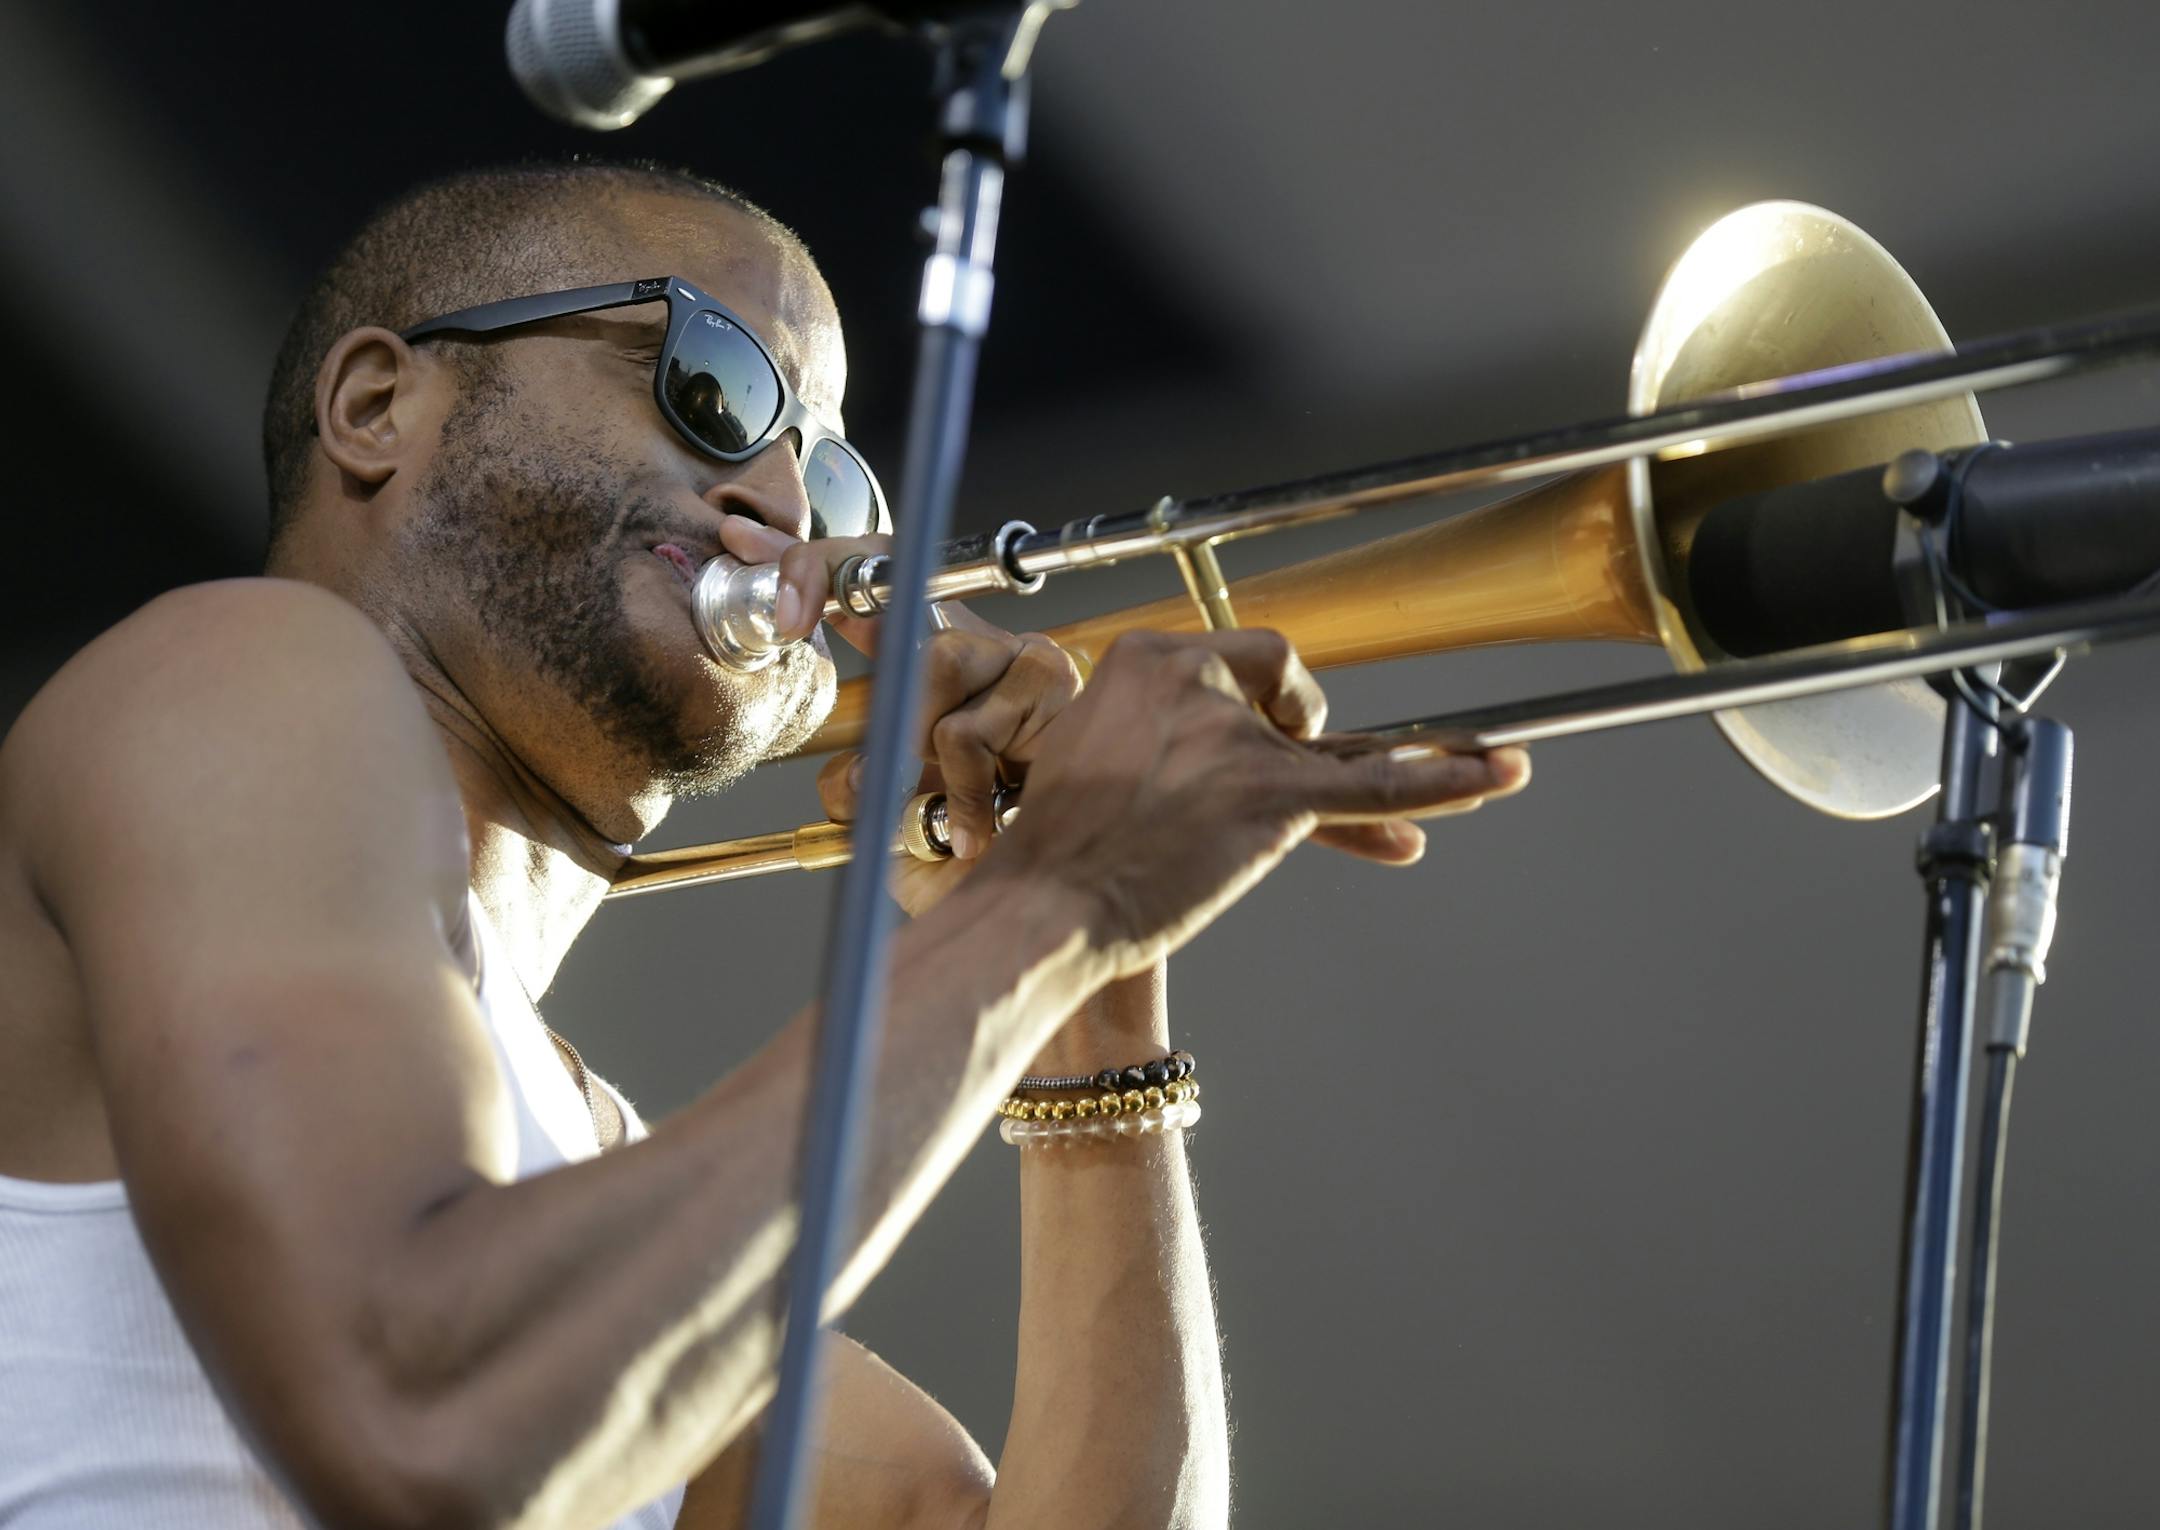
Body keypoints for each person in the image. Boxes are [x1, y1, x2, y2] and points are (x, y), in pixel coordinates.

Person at [0, 160, 1528, 1529]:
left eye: (838, 475)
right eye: (710, 384)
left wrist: (1088, 1011)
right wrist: (1060, 902)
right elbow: (427, 1427)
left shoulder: (597, 1190)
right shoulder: (234, 671)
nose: (789, 508)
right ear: (380, 406)